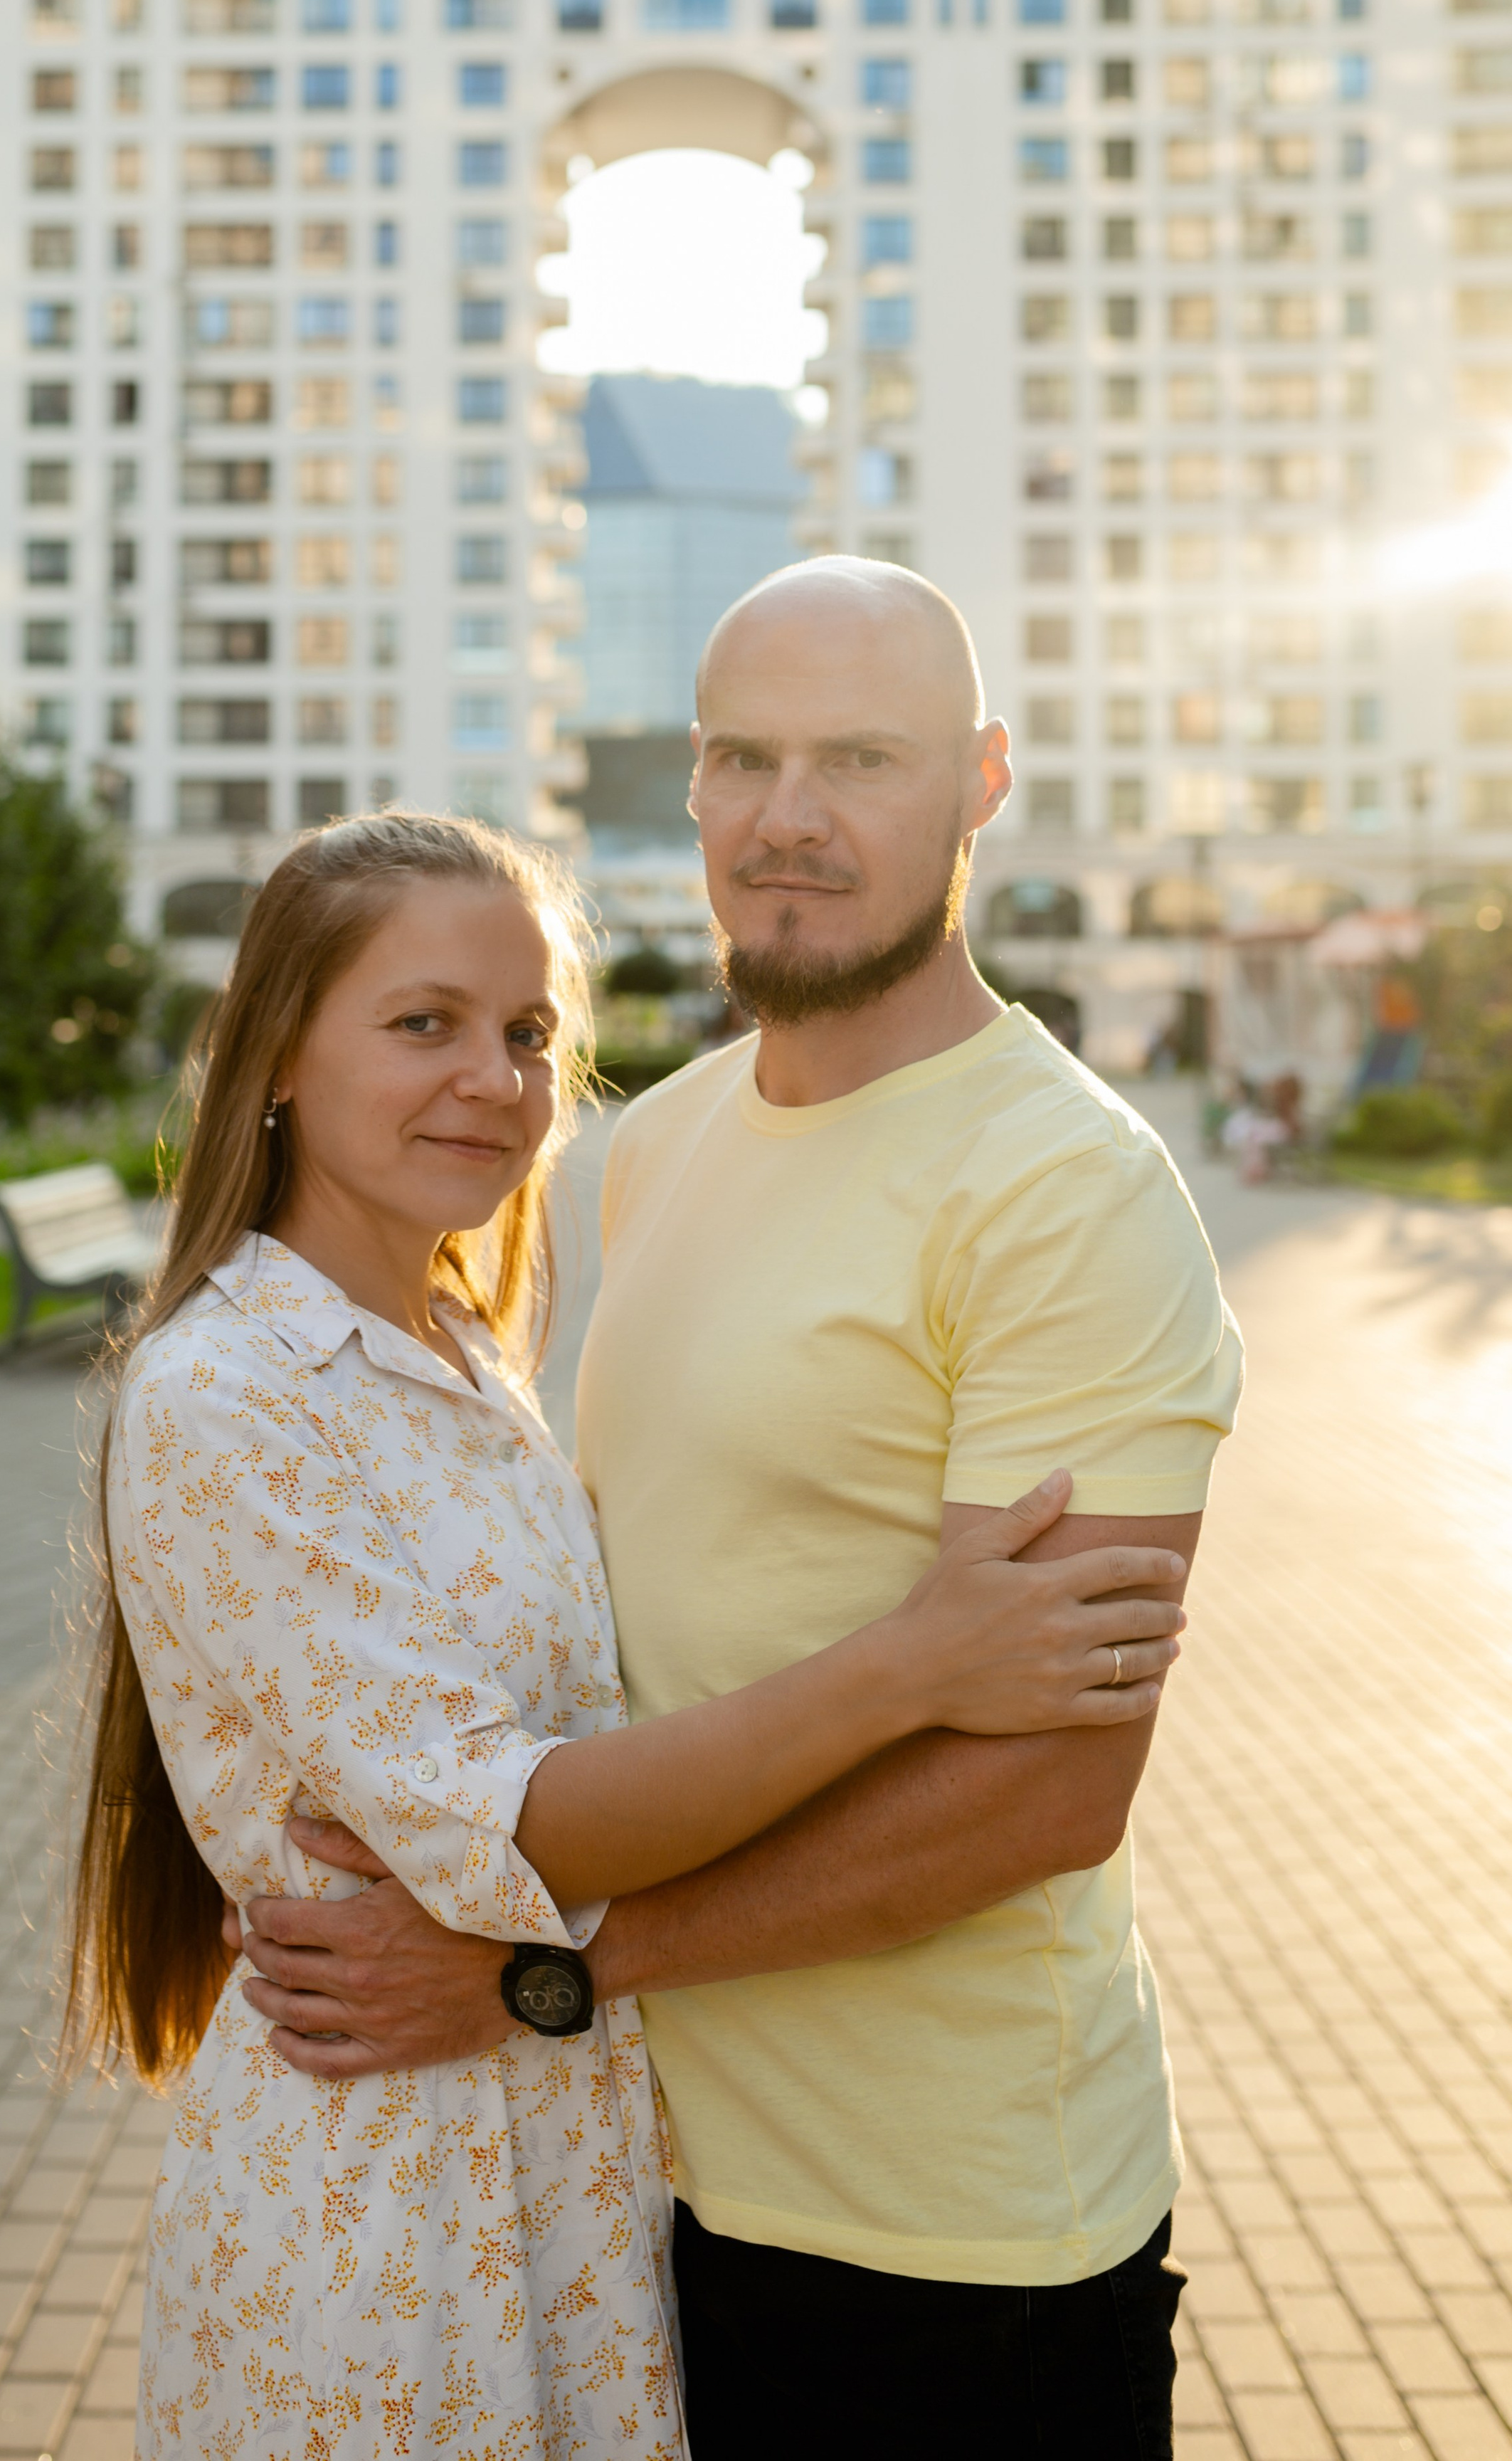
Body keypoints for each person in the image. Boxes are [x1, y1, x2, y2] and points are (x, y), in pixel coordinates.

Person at [234, 564, 1245, 2459]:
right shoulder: (662, 1139)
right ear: (690, 789)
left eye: (860, 756)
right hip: (654, 2185)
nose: (792, 813)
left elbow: (1047, 1786)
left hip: (957, 2240)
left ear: (981, 782)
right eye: (745, 757)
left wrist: (556, 1970)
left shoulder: (1068, 1192)